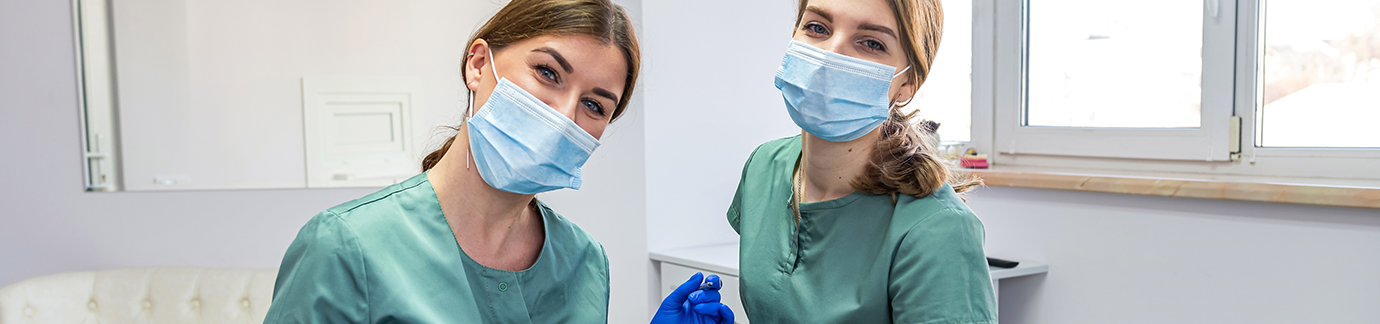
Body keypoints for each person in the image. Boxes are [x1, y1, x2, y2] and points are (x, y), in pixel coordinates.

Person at [265, 0, 730, 322]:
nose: (563, 116)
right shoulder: (346, 248)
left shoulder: (585, 262)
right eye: (548, 73)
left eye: (594, 105)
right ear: (478, 64)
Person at [726, 0, 997, 322]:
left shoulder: (939, 229)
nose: (832, 54)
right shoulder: (764, 166)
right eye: (817, 27)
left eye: (871, 43)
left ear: (907, 83)